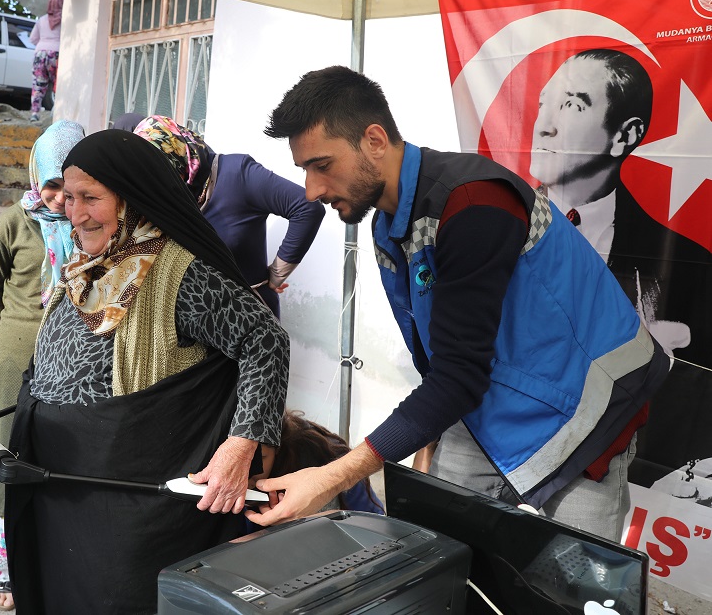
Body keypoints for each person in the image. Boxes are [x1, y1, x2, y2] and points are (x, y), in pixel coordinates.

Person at [246, 65, 669, 542]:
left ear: (375, 140)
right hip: (489, 398)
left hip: (587, 409)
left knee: (580, 586)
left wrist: (332, 475)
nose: (312, 191)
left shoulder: (473, 202)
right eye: (305, 171)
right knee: (439, 557)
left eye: (322, 165)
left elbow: (458, 376)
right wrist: (427, 437)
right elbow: (445, 360)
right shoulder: (387, 226)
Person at [4, 129, 290, 613]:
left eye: (90, 198)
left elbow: (266, 340)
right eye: (69, 198)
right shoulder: (83, 264)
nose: (74, 213)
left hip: (129, 502)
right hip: (61, 488)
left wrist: (240, 446)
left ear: (131, 199)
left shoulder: (180, 274)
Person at [530, 49, 712, 489]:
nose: (544, 125)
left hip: (610, 472)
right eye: (543, 104)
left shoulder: (691, 267)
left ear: (624, 135)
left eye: (571, 105)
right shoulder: (492, 231)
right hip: (503, 452)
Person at [0, 119, 84, 612]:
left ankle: (51, 556)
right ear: (37, 177)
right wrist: (19, 329)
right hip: (16, 357)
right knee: (4, 456)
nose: (62, 198)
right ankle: (4, 571)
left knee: (58, 456)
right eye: (53, 184)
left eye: (71, 184)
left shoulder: (96, 223)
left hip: (75, 362)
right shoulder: (14, 224)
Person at [135, 115, 325, 317]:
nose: (156, 183)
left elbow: (307, 208)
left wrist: (277, 274)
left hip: (248, 320)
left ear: (179, 156)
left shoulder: (238, 174)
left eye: (160, 171)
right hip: (195, 324)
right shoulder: (168, 197)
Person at [29, 0, 63, 122]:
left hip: (40, 54)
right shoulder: (65, 20)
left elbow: (33, 39)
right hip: (57, 54)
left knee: (38, 85)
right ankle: (56, 113)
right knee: (58, 85)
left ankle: (34, 113)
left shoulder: (41, 20)